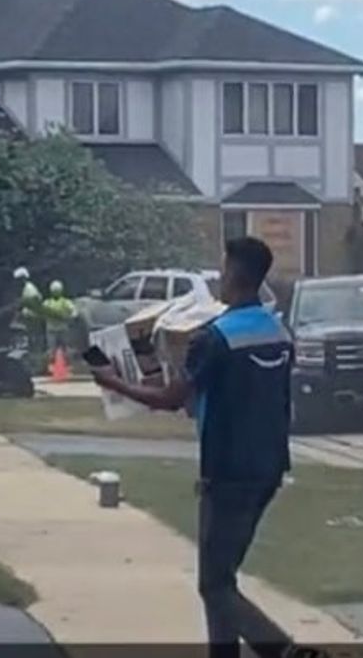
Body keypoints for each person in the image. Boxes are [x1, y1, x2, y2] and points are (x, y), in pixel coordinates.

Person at [90, 238, 323, 658]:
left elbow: (169, 399)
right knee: (222, 579)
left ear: (233, 273)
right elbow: (240, 392)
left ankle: (285, 651)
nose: (218, 279)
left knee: (214, 585)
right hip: (269, 467)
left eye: (222, 269)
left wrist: (113, 381)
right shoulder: (278, 333)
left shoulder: (214, 337)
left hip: (227, 470)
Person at [42, 280, 77, 355]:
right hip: (55, 330)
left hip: (60, 330)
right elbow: (74, 313)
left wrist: (69, 317)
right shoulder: (48, 303)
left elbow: (74, 313)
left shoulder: (48, 303)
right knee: (55, 350)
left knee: (59, 350)